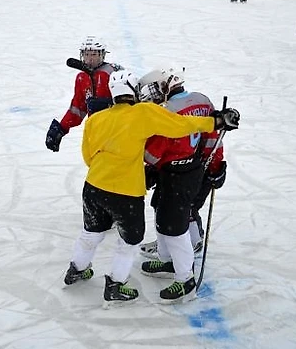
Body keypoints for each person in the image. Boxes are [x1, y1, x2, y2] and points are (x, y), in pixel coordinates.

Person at [62, 70, 240, 307]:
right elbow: (181, 125)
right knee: (129, 240)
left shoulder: (96, 119)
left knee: (92, 231)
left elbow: (88, 157)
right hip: (126, 192)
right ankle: (116, 284)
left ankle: (77, 269)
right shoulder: (143, 113)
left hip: (93, 187)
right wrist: (216, 121)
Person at [135, 68, 227, 303]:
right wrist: (215, 166)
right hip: (193, 170)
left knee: (174, 226)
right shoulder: (201, 100)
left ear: (166, 87)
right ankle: (169, 260)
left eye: (154, 89)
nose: (150, 95)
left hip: (175, 173)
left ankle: (185, 280)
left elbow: (152, 153)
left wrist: (143, 167)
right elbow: (211, 136)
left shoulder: (166, 113)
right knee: (163, 210)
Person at [45, 36, 123, 152]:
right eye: (87, 54)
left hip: (118, 130)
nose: (90, 59)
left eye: (94, 54)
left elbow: (130, 101)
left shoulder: (113, 73)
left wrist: (108, 104)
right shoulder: (82, 78)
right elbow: (78, 108)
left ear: (102, 55)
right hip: (95, 130)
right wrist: (62, 127)